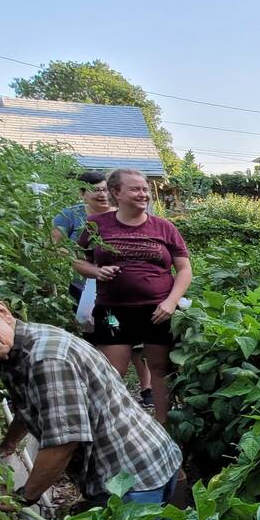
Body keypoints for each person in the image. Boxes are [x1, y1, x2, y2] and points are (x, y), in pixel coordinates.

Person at [0, 281, 182, 509]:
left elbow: (62, 443)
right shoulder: (23, 347)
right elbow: (33, 407)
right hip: (146, 458)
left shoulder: (46, 360)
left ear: (2, 311)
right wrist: (9, 444)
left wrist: (24, 497)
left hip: (132, 479)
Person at [73, 168, 191, 424]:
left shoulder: (164, 227)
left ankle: (162, 427)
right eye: (135, 189)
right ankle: (116, 427)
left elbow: (184, 269)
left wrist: (171, 302)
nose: (143, 194)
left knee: (160, 370)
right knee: (112, 371)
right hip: (114, 312)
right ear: (116, 192)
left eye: (145, 189)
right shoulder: (97, 226)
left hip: (157, 312)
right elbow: (77, 261)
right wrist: (96, 270)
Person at [52, 170, 154, 410]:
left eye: (105, 189)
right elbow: (56, 247)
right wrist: (88, 267)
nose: (102, 195)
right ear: (82, 193)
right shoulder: (71, 216)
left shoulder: (121, 215)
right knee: (100, 335)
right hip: (85, 287)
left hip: (123, 288)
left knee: (138, 340)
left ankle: (146, 387)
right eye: (95, 190)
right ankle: (105, 387)